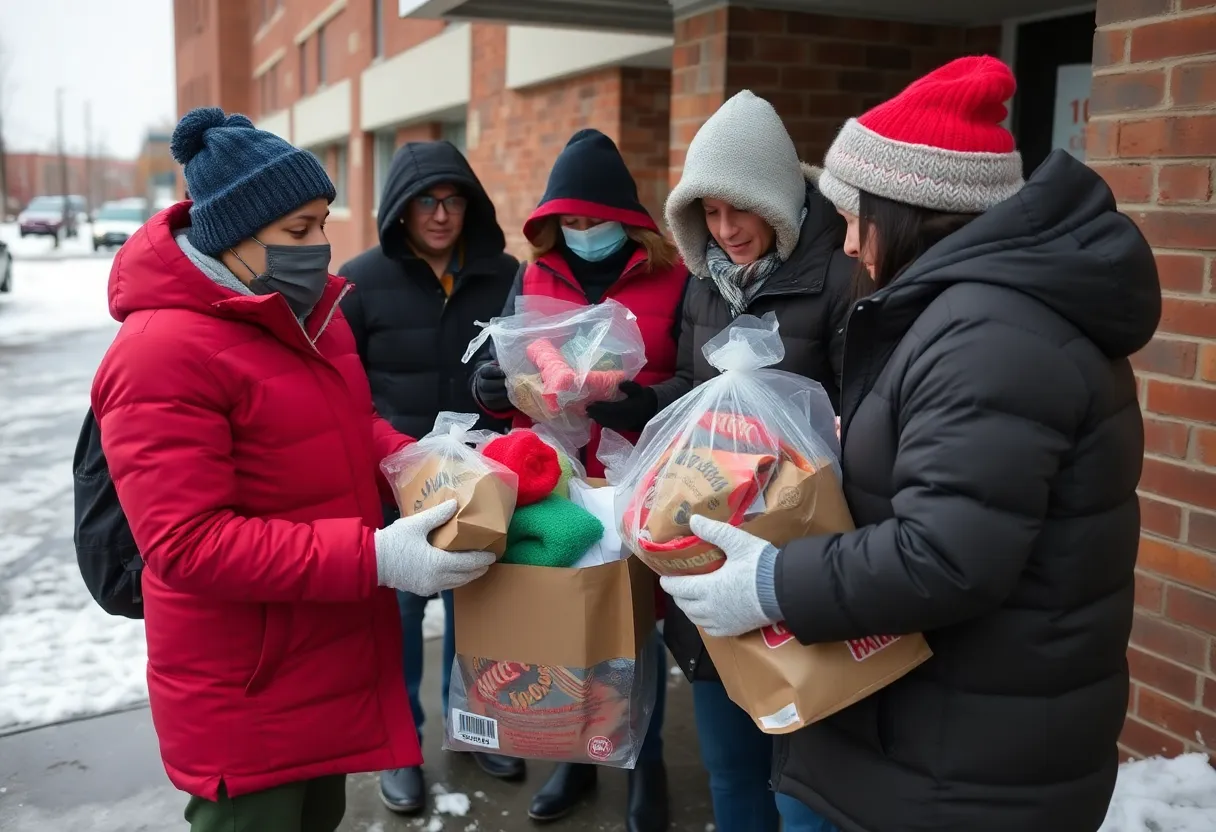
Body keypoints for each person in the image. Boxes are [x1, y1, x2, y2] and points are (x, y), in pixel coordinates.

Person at [660, 56, 1161, 832]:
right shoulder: (979, 319)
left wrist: (772, 583)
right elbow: (961, 487)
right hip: (957, 735)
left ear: (905, 214)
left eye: (857, 219)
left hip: (969, 760)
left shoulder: (993, 336)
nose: (852, 245)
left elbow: (947, 555)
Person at [91, 108, 497, 832]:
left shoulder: (303, 313)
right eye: (298, 232)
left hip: (318, 661)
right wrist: (373, 558)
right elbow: (187, 544)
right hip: (246, 688)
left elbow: (344, 430)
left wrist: (421, 460)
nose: (321, 247)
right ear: (231, 236)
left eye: (323, 223)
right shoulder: (160, 353)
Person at [644, 89, 854, 832]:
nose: (725, 231)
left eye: (739, 210)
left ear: (776, 198)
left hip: (796, 567)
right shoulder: (706, 281)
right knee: (730, 772)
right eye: (707, 212)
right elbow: (689, 390)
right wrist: (622, 404)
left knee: (803, 787)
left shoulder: (840, 276)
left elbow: (859, 422)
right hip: (709, 556)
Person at [471, 128, 688, 832]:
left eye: (594, 220)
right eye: (569, 220)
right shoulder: (534, 276)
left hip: (642, 478)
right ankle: (576, 753)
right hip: (557, 481)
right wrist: (491, 391)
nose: (582, 232)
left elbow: (694, 375)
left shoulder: (675, 277)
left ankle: (643, 761)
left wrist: (647, 399)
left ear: (626, 217)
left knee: (633, 632)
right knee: (567, 623)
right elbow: (511, 370)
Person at [338, 140, 523, 814]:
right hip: (396, 486)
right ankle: (401, 751)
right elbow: (340, 389)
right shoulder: (359, 282)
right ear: (400, 210)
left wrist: (504, 395)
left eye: (453, 200)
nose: (441, 215)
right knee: (400, 621)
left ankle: (474, 729)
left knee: (477, 613)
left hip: (481, 479)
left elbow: (527, 373)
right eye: (426, 201)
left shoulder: (505, 275)